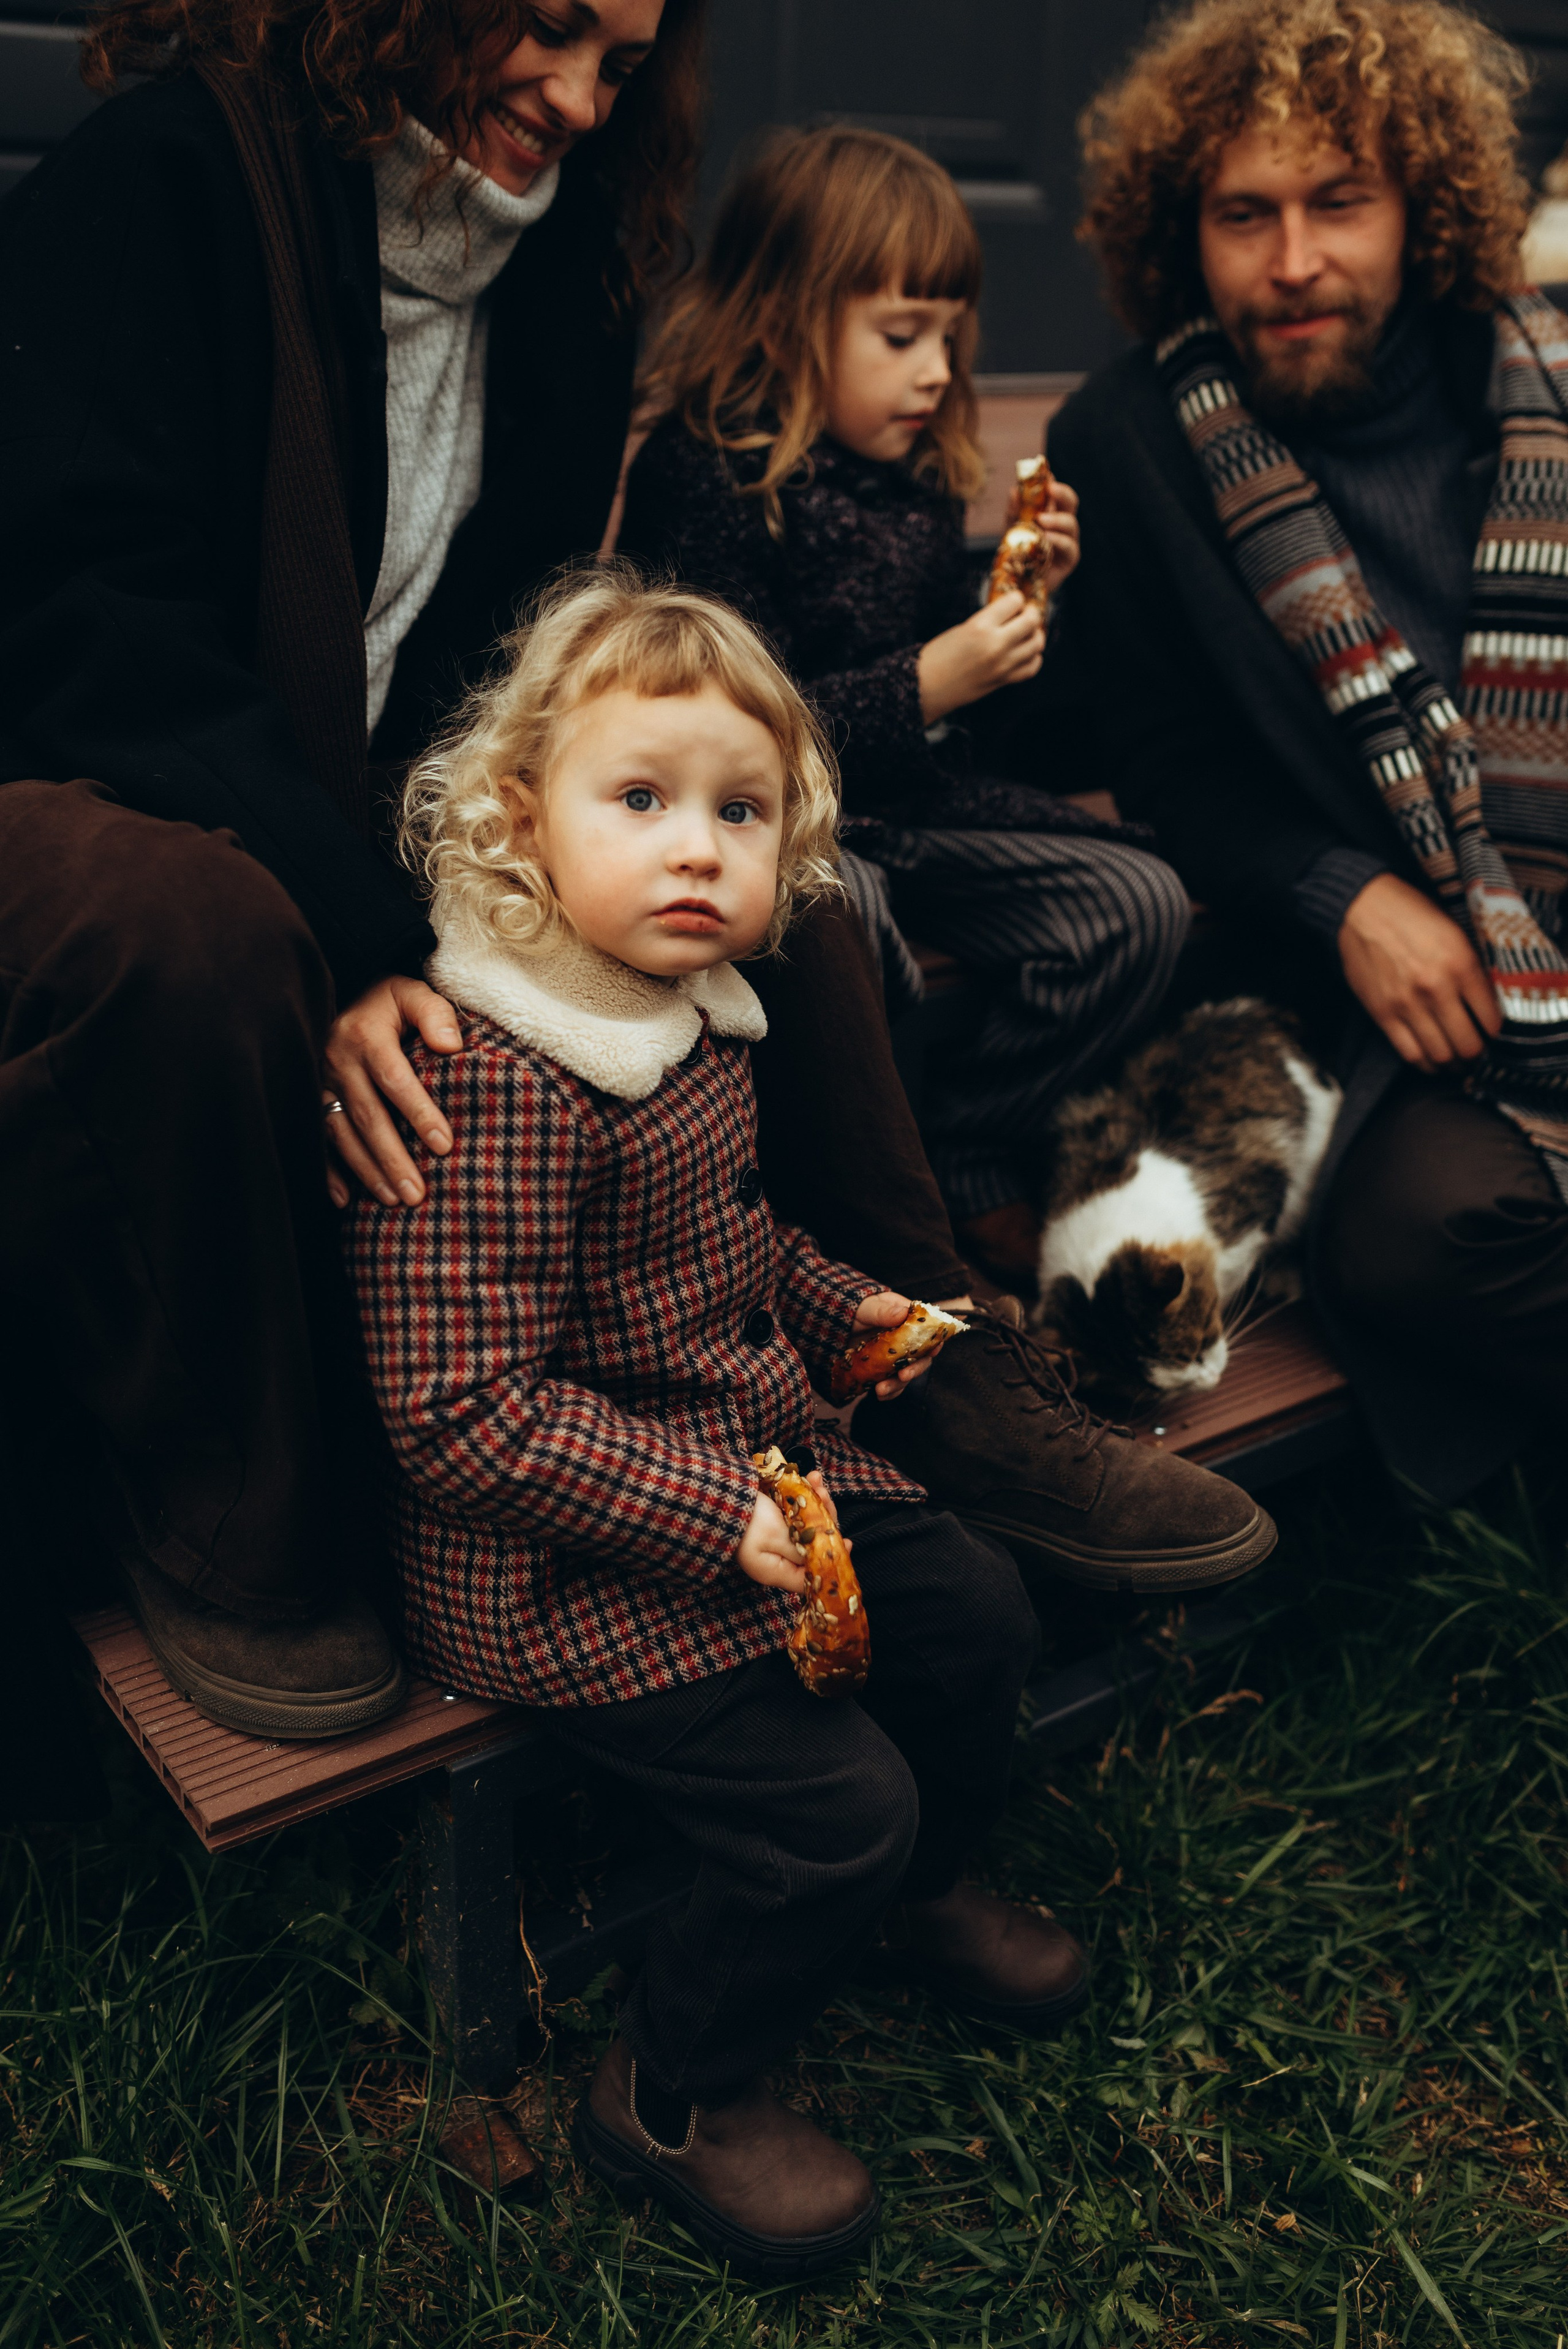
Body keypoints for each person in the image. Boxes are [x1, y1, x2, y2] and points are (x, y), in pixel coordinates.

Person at [0, 2, 1275, 1792]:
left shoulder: (566, 256)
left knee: (755, 861)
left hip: (376, 779)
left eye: (619, 57)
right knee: (201, 939)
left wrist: (646, 786)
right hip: (114, 775)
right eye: (541, 28)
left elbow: (513, 640)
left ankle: (934, 1366)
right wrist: (360, 921)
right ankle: (228, 1501)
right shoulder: (168, 180)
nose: (581, 99)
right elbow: (85, 628)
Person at [349, 568, 1087, 2283]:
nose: (698, 848)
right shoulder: (500, 1080)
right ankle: (676, 2088)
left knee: (975, 1606)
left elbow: (742, 1250)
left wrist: (854, 1315)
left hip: (753, 1470)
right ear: (520, 826)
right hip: (557, 1564)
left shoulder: (684, 1017)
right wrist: (710, 1519)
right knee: (832, 1803)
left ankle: (919, 1895)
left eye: (739, 812)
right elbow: (460, 1414)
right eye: (642, 799)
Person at [1047, 0, 1568, 1501]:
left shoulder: (1530, 374)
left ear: (1421, 205)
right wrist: (1344, 892)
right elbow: (1162, 758)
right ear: (1178, 230)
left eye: (1337, 202)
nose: (1290, 262)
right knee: (1409, 1242)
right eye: (1242, 215)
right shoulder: (1129, 442)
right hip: (1441, 985)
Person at [619, 126, 1193, 1286]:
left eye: (948, 336)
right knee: (847, 925)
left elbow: (985, 733)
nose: (938, 371)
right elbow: (712, 740)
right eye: (901, 336)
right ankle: (866, 1196)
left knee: (1139, 905)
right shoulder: (708, 476)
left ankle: (970, 1147)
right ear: (786, 319)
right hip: (789, 826)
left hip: (921, 803)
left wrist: (1029, 613)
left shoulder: (920, 476)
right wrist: (928, 681)